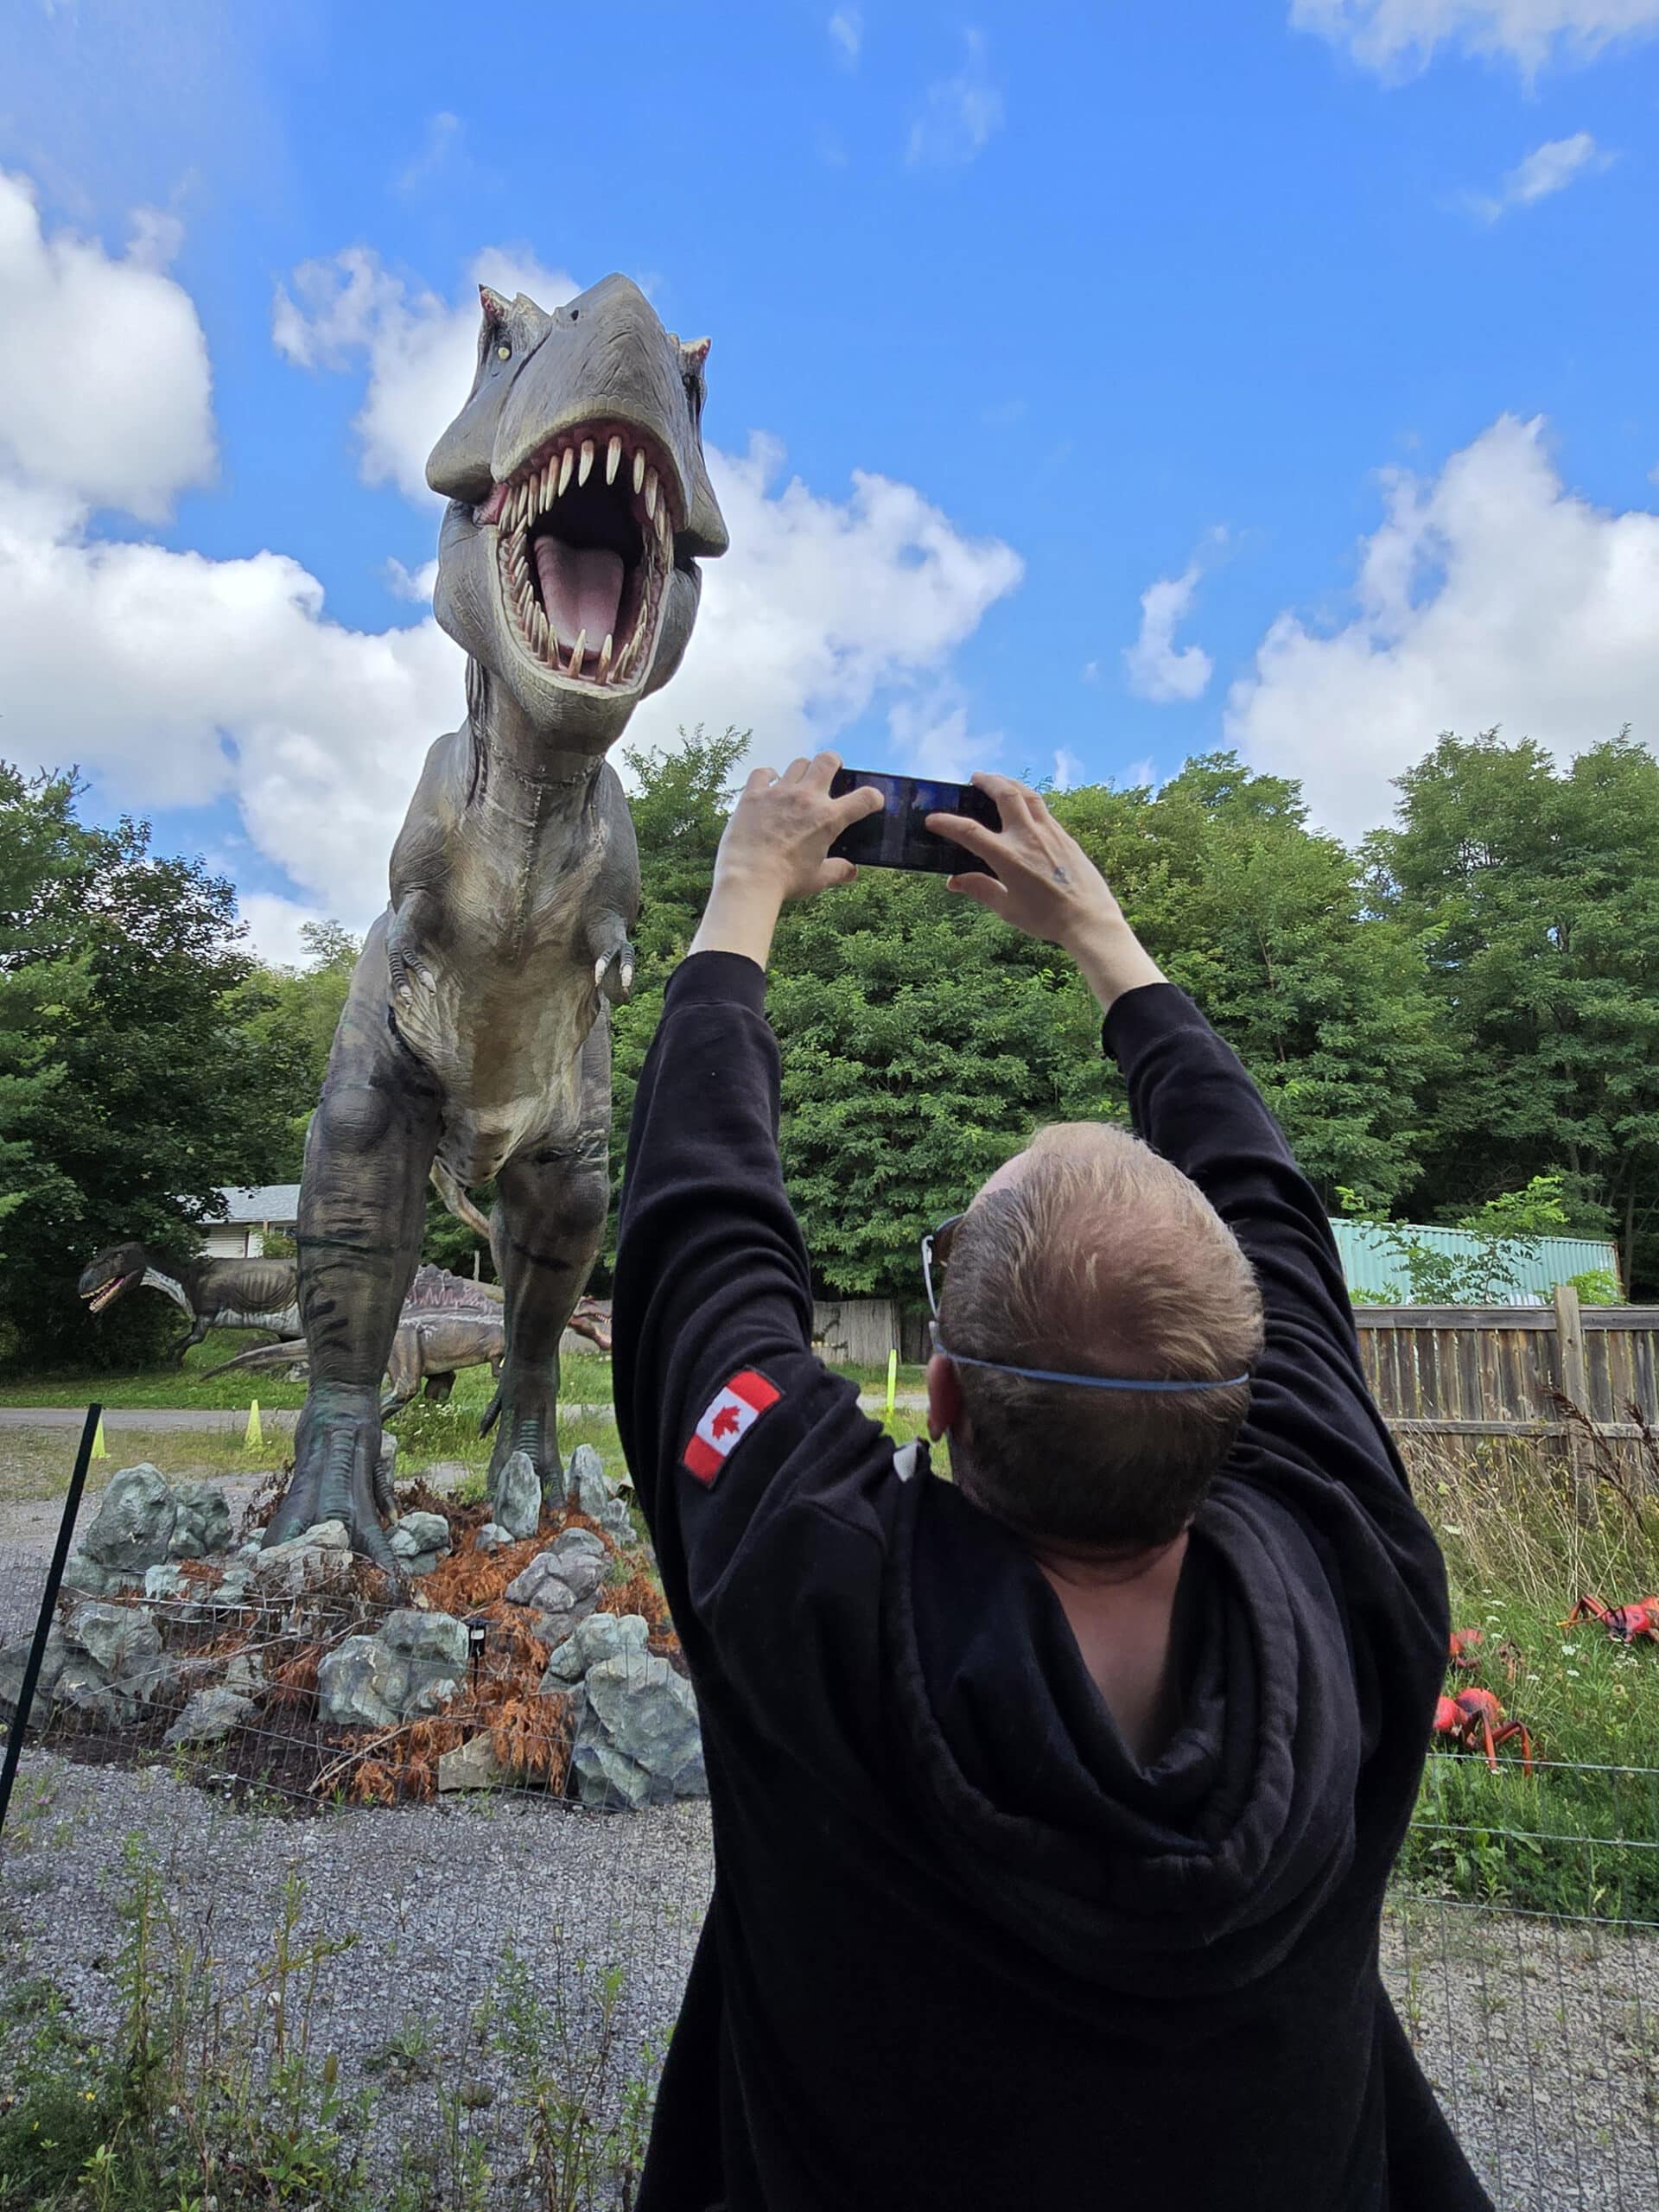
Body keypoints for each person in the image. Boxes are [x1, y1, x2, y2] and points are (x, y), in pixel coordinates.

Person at [611, 753, 1490, 2211]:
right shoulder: (1350, 1563)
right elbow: (1272, 1211)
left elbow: (698, 1243)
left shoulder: (817, 1586)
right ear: (1251, 1401)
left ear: (938, 1396)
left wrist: (739, 902)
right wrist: (1106, 939)